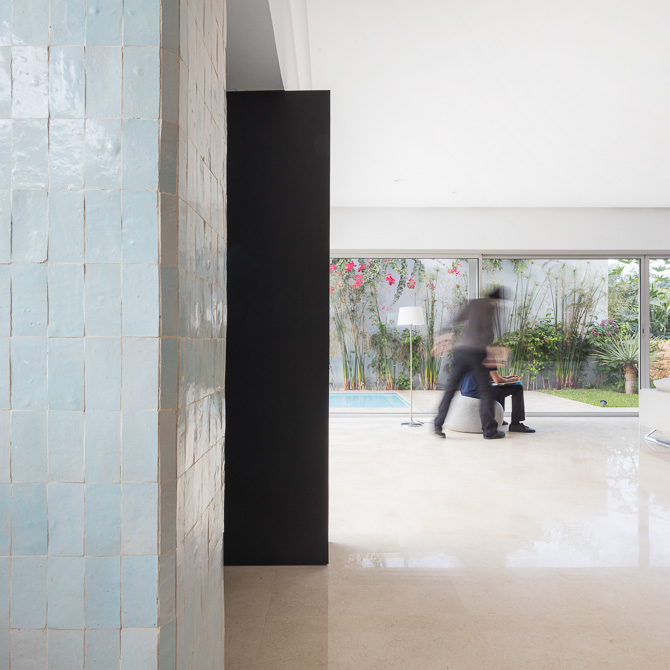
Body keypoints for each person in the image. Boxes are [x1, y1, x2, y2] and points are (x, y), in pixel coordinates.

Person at [433, 287, 507, 440]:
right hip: (476, 352)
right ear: (497, 299)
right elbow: (487, 332)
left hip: (461, 351)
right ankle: (490, 431)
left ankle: (438, 424)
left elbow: (454, 320)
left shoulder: (474, 303)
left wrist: (445, 339)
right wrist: (491, 351)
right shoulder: (490, 308)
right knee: (486, 391)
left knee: (450, 389)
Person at [459, 368, 535, 433]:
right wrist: (511, 380)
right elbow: (497, 380)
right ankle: (516, 424)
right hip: (478, 393)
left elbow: (484, 376)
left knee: (499, 388)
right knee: (518, 388)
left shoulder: (472, 356)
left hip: (466, 391)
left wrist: (505, 378)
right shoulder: (489, 358)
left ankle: (499, 419)